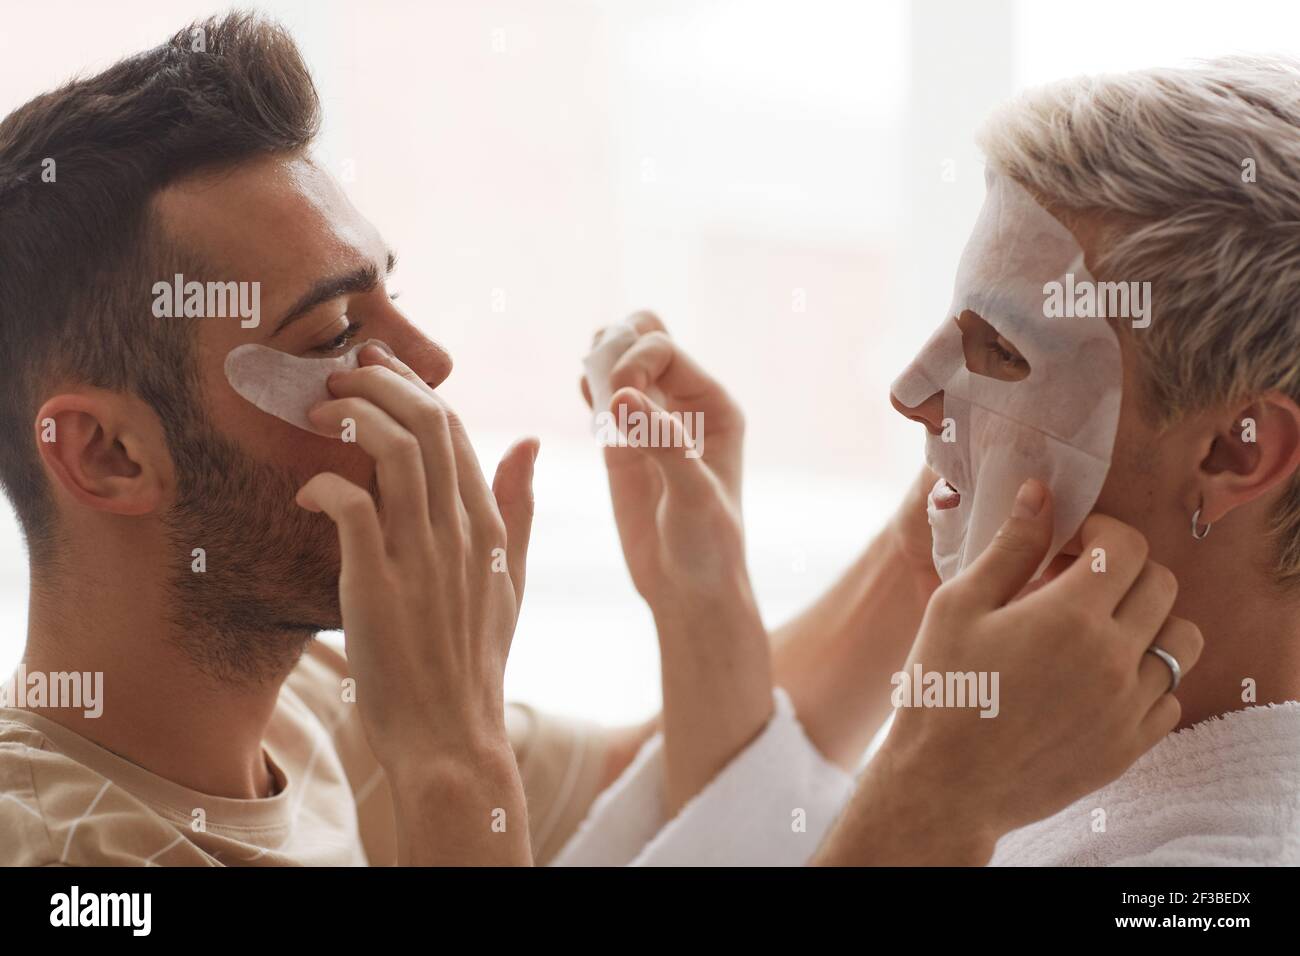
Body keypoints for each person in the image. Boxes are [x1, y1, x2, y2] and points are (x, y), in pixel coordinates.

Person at [0, 14, 1192, 866]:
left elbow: (691, 798)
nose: (429, 365)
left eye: (391, 297)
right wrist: (943, 797)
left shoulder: (310, 702)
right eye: (334, 332)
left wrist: (950, 490)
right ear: (106, 455)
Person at [566, 56, 1300, 866]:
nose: (910, 392)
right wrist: (701, 598)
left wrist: (934, 792)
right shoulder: (1047, 749)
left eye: (1002, 350)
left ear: (1240, 448)